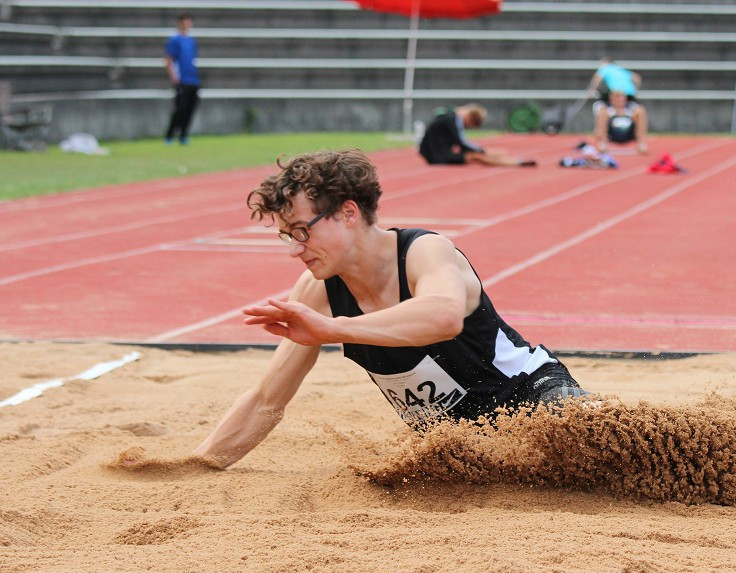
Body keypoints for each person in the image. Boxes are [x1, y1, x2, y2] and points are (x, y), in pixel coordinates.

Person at [193, 149, 587, 468]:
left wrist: (334, 330)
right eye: (286, 237)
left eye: (301, 231)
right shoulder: (317, 291)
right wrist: (199, 464)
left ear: (348, 213)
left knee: (602, 438)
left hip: (532, 395)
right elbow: (266, 399)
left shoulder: (423, 252)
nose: (295, 248)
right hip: (460, 445)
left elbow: (443, 317)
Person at [418, 104, 536, 167]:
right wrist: (482, 150)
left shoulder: (451, 117)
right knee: (477, 156)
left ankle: (515, 161)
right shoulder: (452, 120)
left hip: (438, 152)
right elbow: (461, 142)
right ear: (470, 118)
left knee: (478, 154)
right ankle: (516, 163)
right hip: (437, 156)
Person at [164, 13, 200, 146]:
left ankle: (184, 135)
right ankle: (169, 135)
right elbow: (169, 60)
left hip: (193, 80)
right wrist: (174, 77)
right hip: (182, 80)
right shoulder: (175, 39)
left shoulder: (191, 40)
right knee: (180, 109)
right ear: (180, 23)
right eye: (185, 22)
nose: (187, 24)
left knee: (190, 109)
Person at [592, 90, 648, 155]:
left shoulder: (631, 108)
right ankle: (602, 143)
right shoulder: (607, 109)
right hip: (612, 134)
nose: (620, 99)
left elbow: (639, 112)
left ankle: (641, 143)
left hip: (628, 133)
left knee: (641, 110)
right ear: (611, 99)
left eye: (622, 97)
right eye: (617, 97)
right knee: (602, 114)